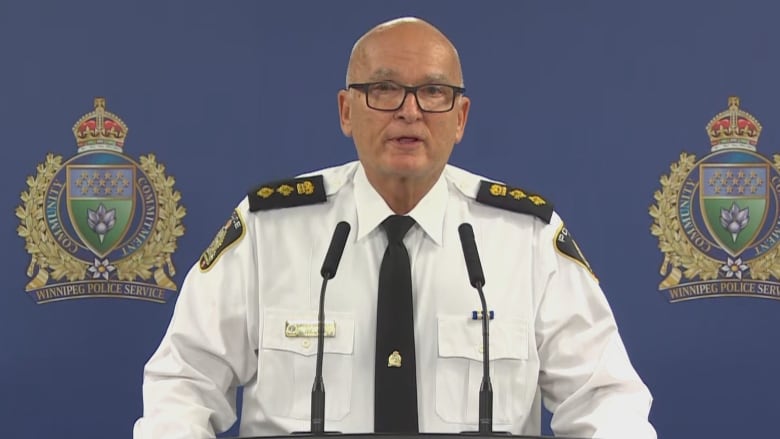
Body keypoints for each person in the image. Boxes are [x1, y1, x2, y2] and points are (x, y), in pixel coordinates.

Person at [133, 17, 656, 439]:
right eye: (383, 89)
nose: (409, 112)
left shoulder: (526, 238)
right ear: (346, 110)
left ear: (461, 117)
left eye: (433, 92)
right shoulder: (269, 230)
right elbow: (184, 382)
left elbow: (603, 399)